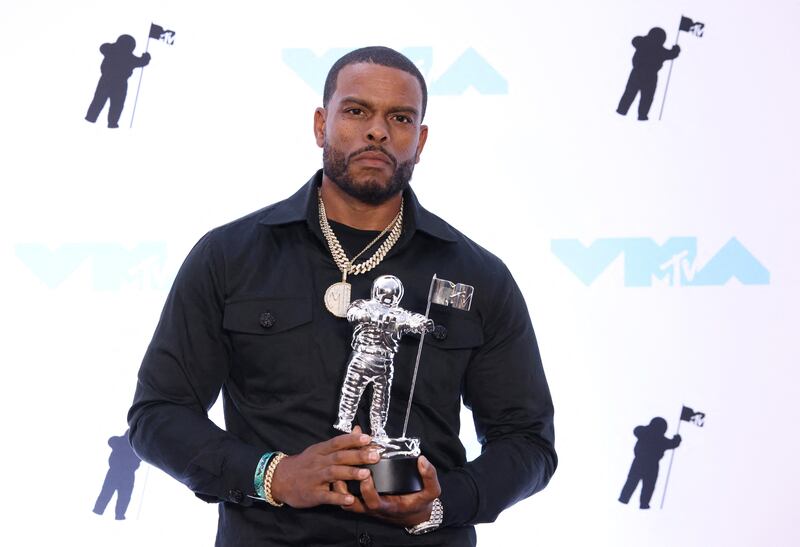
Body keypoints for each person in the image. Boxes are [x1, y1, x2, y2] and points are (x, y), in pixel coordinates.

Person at [128, 46, 556, 546]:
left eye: (399, 118)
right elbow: (157, 414)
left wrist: (442, 503)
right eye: (356, 111)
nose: (377, 130)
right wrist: (273, 475)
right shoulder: (230, 256)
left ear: (419, 142)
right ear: (319, 125)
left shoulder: (478, 275)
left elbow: (528, 442)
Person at [85, 34, 151, 128]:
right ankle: (112, 123)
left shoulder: (111, 51)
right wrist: (146, 57)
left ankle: (91, 118)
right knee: (116, 105)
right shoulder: (129, 58)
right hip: (120, 84)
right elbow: (142, 62)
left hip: (106, 80)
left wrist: (114, 46)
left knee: (99, 101)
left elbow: (103, 47)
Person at [616, 27, 680, 121]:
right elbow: (671, 54)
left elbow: (634, 40)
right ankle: (641, 115)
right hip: (650, 76)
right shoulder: (659, 49)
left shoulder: (643, 43)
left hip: (638, 73)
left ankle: (623, 110)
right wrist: (676, 50)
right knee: (646, 98)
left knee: (630, 94)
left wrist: (645, 38)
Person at [618, 417, 681, 509]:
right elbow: (672, 444)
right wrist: (677, 439)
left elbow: (636, 430)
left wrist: (676, 440)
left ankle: (624, 499)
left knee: (633, 482)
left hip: (640, 462)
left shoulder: (645, 433)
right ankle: (643, 504)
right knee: (647, 486)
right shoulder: (660, 439)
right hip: (651, 464)